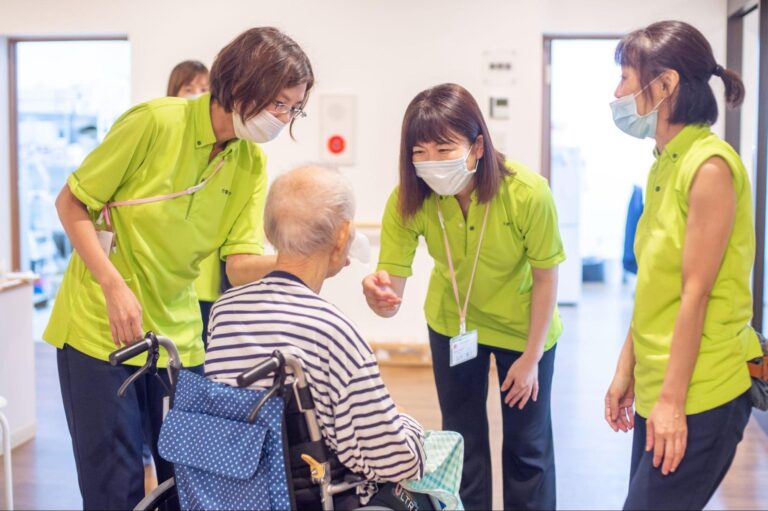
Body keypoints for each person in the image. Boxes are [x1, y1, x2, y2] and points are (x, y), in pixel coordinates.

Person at [44, 27, 313, 509]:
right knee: (116, 489)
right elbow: (71, 203)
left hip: (177, 339)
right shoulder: (155, 123)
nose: (284, 119)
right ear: (243, 84)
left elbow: (238, 265)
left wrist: (306, 260)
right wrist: (113, 285)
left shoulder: (250, 163)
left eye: (294, 109)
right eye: (279, 104)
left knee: (187, 485)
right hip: (100, 329)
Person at [362, 83, 564, 510]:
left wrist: (531, 359)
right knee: (462, 440)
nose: (432, 162)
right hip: (453, 324)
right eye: (420, 152)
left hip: (523, 328)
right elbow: (391, 288)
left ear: (477, 147)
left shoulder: (528, 193)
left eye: (444, 149)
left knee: (527, 448)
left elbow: (547, 278)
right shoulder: (409, 199)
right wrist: (379, 296)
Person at [604, 20, 763, 511]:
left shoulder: (709, 166)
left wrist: (672, 402)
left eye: (626, 78)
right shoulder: (664, 161)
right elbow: (656, 286)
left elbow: (696, 293)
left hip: (701, 391)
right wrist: (626, 368)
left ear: (666, 83)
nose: (618, 93)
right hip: (661, 381)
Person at [205, 165, 428, 509]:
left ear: (269, 230)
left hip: (236, 491)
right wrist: (409, 423)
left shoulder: (224, 311)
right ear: (343, 236)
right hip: (311, 497)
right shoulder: (334, 331)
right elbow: (396, 460)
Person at [166, 60, 221, 349]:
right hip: (170, 280)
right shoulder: (165, 142)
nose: (198, 95)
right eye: (189, 89)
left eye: (204, 89)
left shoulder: (227, 152)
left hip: (210, 282)